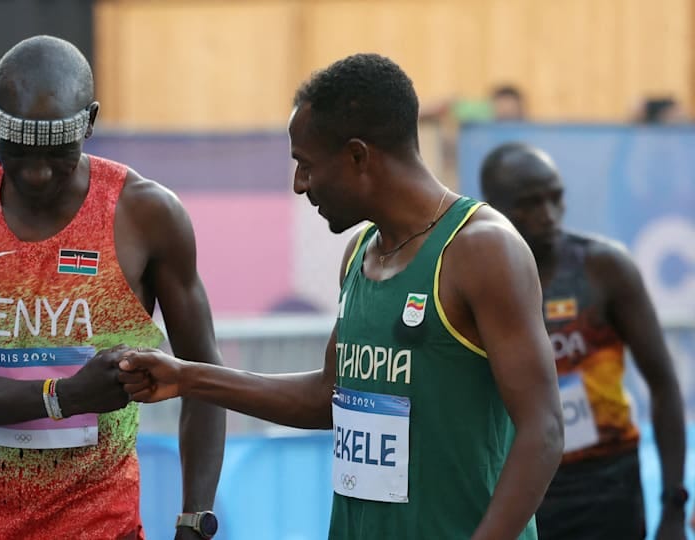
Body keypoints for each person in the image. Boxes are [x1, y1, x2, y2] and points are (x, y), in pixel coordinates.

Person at [119, 53, 563, 539]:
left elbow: (542, 431)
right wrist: (188, 377)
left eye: (306, 166)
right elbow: (328, 397)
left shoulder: (482, 250)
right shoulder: (359, 253)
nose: (298, 185)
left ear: (357, 156)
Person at [0, 35, 225, 540]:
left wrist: (194, 521)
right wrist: (66, 396)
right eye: (16, 150)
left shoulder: (145, 214)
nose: (36, 173)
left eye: (57, 152)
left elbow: (204, 379)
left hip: (103, 524)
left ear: (91, 121)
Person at [479, 142, 687, 540]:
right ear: (494, 206)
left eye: (556, 197)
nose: (549, 215)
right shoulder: (477, 280)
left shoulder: (605, 268)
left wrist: (674, 505)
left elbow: (663, 385)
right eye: (529, 203)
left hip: (607, 486)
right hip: (519, 486)